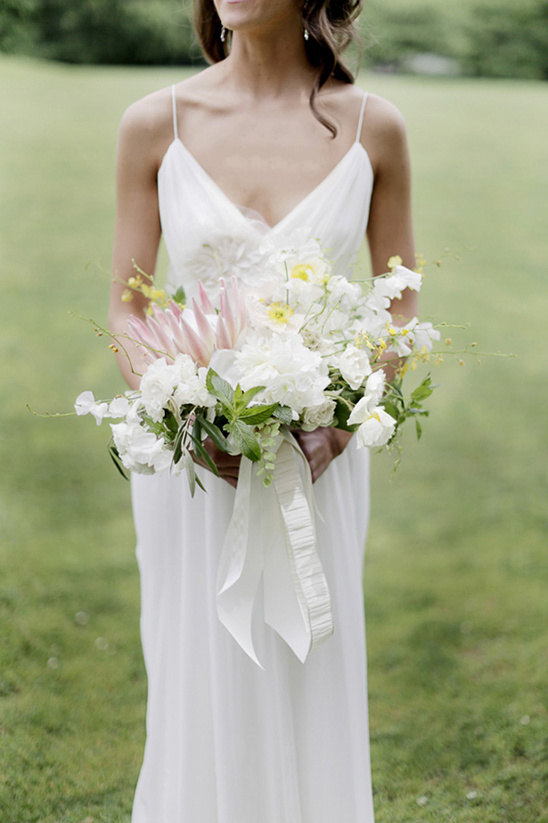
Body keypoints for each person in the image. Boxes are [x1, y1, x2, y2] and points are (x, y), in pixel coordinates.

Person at [109, 1, 417, 821]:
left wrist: (342, 421)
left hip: (319, 458)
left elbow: (399, 307)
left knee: (310, 663)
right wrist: (185, 408)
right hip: (192, 466)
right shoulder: (155, 123)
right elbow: (128, 311)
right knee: (197, 670)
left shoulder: (374, 129)